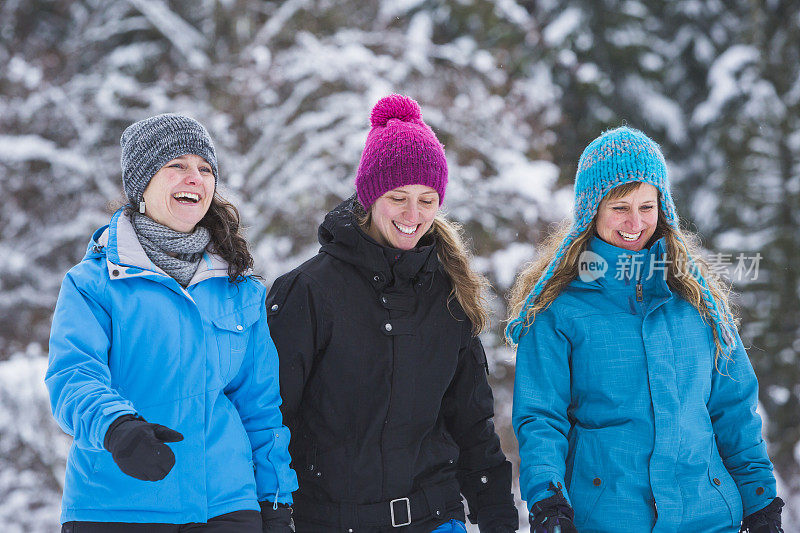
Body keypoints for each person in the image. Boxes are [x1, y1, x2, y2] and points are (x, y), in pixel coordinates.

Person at [506, 126, 784, 533]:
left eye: (647, 206)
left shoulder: (697, 299)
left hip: (707, 518)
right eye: (620, 207)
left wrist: (760, 502)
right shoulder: (558, 309)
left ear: (663, 208)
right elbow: (541, 418)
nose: (635, 222)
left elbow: (734, 410)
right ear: (592, 210)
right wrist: (548, 501)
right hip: (606, 517)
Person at [266, 94, 518, 532]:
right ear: (369, 196)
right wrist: (273, 513)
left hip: (435, 517)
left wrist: (497, 515)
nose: (412, 214)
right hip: (331, 521)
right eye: (398, 196)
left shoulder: (449, 293)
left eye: (426, 199)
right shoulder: (308, 292)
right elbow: (272, 417)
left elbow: (472, 424)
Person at [46, 113, 298, 532]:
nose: (194, 177)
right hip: (117, 506)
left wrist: (275, 501)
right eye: (176, 165)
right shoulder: (94, 283)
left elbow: (259, 406)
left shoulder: (240, 288)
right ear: (142, 184)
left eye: (204, 169)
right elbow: (73, 376)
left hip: (226, 507)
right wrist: (118, 428)